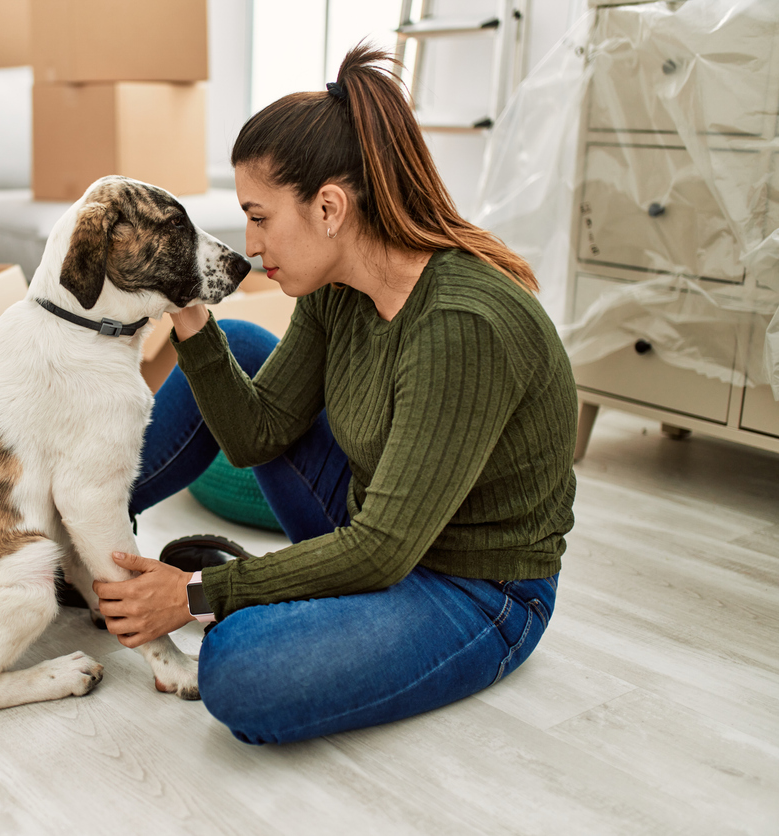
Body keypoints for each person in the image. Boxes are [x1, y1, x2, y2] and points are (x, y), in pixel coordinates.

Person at [91, 43, 577, 745]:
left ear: (329, 207)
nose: (251, 246)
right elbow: (256, 437)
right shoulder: (335, 288)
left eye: (260, 217)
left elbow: (382, 551)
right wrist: (191, 315)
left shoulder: (463, 326)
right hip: (371, 524)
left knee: (241, 671)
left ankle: (251, 595)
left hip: (470, 588)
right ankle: (82, 548)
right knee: (243, 351)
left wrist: (196, 596)